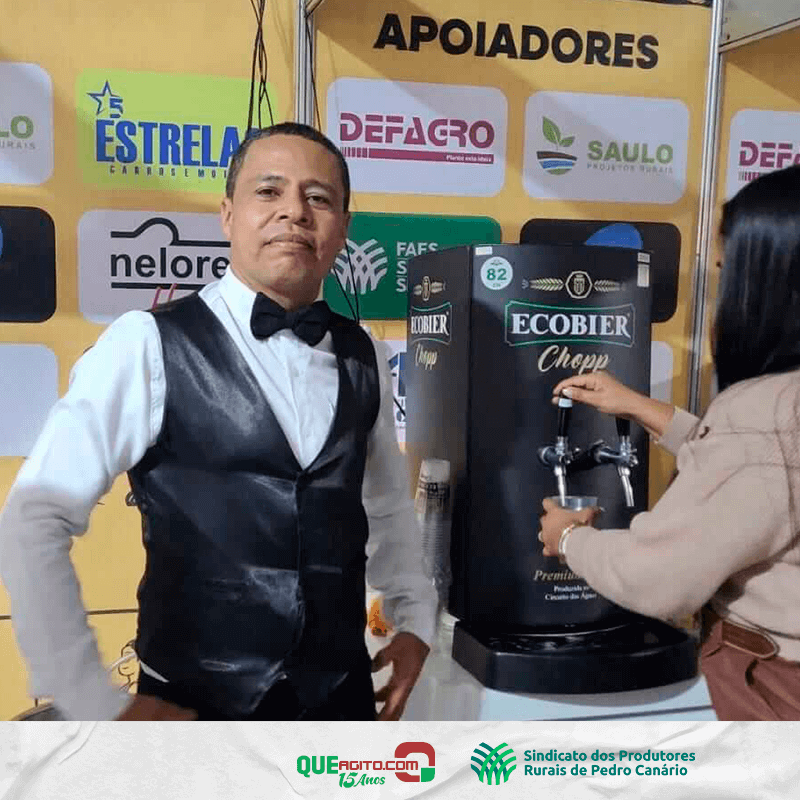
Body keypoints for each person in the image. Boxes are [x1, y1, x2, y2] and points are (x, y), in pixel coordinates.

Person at [0, 122, 436, 721]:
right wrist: (91, 703)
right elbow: (35, 515)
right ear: (228, 215)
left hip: (341, 708)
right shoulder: (146, 344)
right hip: (190, 718)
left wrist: (414, 622)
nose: (295, 213)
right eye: (269, 192)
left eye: (318, 198)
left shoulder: (363, 354)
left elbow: (386, 510)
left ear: (343, 228)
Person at [539, 164, 800, 721]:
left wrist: (568, 541)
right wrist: (638, 406)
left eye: (729, 271)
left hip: (776, 688)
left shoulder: (767, 411)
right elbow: (768, 481)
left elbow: (660, 579)